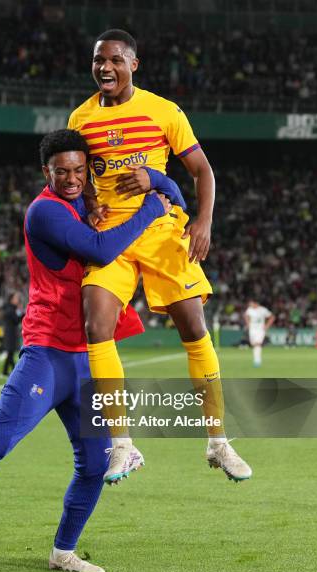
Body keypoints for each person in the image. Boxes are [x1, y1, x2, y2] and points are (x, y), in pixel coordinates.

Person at [0, 129, 174, 572]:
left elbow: (173, 188)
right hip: (47, 354)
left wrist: (154, 189)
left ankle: (63, 552)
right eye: (62, 171)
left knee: (94, 462)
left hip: (87, 356)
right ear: (45, 172)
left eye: (78, 170)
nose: (71, 178)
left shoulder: (81, 202)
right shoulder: (45, 211)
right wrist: (151, 207)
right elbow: (101, 250)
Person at [68, 29, 252, 482]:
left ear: (134, 64)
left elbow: (202, 169)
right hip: (111, 238)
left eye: (114, 60)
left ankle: (218, 442)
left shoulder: (163, 111)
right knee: (96, 326)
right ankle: (123, 445)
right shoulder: (81, 118)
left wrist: (204, 221)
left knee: (193, 326)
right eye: (98, 61)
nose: (104, 68)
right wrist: (89, 205)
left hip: (163, 230)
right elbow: (80, 177)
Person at [244, 300, 275, 367]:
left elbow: (272, 317)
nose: (250, 304)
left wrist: (267, 326)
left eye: (251, 303)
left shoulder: (263, 310)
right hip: (252, 330)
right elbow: (245, 316)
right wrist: (248, 324)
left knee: (258, 344)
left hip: (260, 330)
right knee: (254, 344)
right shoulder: (249, 310)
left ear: (255, 303)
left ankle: (257, 361)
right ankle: (256, 360)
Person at [1, 293, 23, 375]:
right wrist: (22, 313)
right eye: (16, 298)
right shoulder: (10, 309)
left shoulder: (10, 308)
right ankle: (13, 371)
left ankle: (5, 371)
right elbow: (16, 320)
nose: (17, 300)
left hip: (10, 333)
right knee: (10, 352)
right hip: (10, 334)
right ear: (12, 300)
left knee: (10, 353)